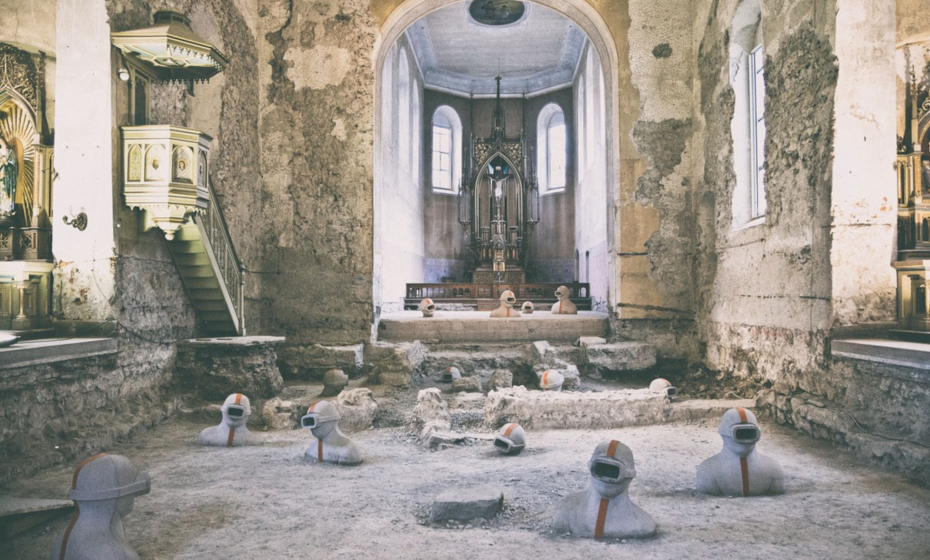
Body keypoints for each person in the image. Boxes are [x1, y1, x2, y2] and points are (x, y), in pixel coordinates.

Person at [552, 439, 657, 539]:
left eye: (613, 470)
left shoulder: (643, 525)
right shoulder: (564, 512)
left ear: (629, 475)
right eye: (602, 468)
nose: (606, 480)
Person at [696, 407, 785, 496]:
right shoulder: (774, 469)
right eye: (740, 433)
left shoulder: (707, 470)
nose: (745, 440)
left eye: (749, 433)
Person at [0, 135, 17, 215]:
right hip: (2, 176)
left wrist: (6, 162)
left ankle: (7, 208)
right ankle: (2, 208)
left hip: (8, 177)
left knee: (7, 191)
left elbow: (13, 164)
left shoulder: (11, 152)